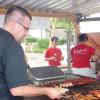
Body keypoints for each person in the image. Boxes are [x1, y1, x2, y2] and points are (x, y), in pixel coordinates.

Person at [0, 5, 63, 100]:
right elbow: (17, 89)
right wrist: (46, 90)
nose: (27, 33)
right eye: (26, 28)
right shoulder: (13, 47)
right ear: (13, 24)